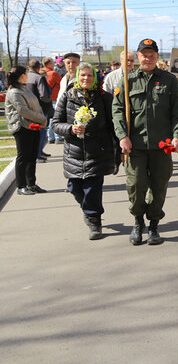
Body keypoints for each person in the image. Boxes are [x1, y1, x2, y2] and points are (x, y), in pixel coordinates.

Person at [112, 39, 178, 246]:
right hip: (135, 146)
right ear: (138, 57)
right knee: (136, 185)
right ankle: (137, 221)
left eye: (152, 55)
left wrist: (177, 135)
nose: (148, 58)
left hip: (162, 146)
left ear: (157, 57)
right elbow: (117, 111)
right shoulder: (128, 81)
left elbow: (177, 112)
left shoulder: (169, 81)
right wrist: (122, 136)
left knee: (159, 186)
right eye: (144, 54)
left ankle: (153, 225)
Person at [52, 63, 115, 240]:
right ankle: (89, 212)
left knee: (92, 189)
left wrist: (117, 149)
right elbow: (55, 124)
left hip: (97, 151)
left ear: (95, 77)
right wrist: (71, 129)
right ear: (77, 77)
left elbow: (112, 125)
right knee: (74, 188)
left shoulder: (104, 98)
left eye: (89, 75)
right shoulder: (67, 97)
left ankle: (95, 221)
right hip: (74, 152)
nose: (86, 78)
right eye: (83, 75)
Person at [5, 66, 47, 196]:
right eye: (25, 73)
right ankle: (21, 186)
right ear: (21, 75)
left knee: (32, 156)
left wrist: (40, 120)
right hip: (22, 127)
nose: (28, 75)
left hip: (33, 126)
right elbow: (23, 111)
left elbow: (35, 105)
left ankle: (31, 184)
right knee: (23, 157)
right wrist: (41, 118)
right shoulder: (14, 92)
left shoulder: (24, 88)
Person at [104, 50, 136, 175]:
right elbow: (106, 94)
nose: (129, 63)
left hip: (133, 114)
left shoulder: (138, 75)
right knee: (117, 139)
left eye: (132, 60)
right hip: (115, 114)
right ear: (121, 60)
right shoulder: (112, 77)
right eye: (127, 60)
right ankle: (116, 161)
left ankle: (130, 162)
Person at [26, 60, 53, 162]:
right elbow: (44, 95)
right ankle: (38, 154)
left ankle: (38, 152)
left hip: (27, 109)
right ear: (38, 67)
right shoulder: (39, 78)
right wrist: (49, 100)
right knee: (41, 132)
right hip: (40, 109)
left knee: (31, 133)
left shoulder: (25, 77)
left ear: (29, 66)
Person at [43, 57, 62, 144]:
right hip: (54, 98)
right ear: (49, 64)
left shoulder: (40, 72)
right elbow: (61, 83)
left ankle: (50, 137)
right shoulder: (53, 73)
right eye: (52, 62)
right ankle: (57, 137)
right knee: (55, 118)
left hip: (44, 99)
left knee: (47, 118)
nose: (54, 64)